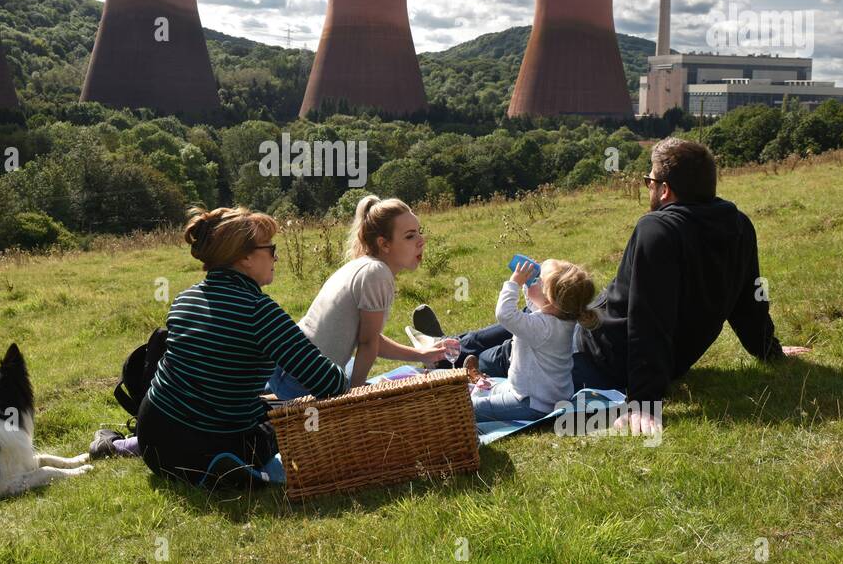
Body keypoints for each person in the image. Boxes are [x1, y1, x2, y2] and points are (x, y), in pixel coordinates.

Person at [415, 137, 810, 432]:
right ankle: (450, 343)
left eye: (650, 181)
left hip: (599, 357)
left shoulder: (657, 229)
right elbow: (750, 298)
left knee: (511, 349)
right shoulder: (738, 224)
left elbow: (649, 317)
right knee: (544, 310)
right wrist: (767, 350)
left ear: (666, 189)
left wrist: (644, 402)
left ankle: (445, 360)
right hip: (598, 328)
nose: (648, 189)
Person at [135, 206, 350, 488]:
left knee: (260, 407)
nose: (276, 256)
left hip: (152, 438)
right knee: (289, 425)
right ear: (245, 257)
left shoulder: (183, 300)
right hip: (198, 448)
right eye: (270, 248)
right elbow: (329, 383)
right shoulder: (258, 311)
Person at [266, 195, 454, 401]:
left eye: (420, 232)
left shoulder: (365, 265)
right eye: (410, 236)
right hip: (301, 381)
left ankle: (267, 392)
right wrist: (354, 397)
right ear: (384, 244)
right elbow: (368, 343)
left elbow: (370, 338)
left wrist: (421, 354)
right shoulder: (377, 273)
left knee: (384, 377)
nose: (421, 241)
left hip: (288, 369)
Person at [466, 258, 599, 423]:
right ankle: (478, 386)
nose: (534, 281)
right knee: (491, 387)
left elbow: (505, 315)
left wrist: (514, 282)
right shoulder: (563, 318)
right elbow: (536, 304)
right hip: (545, 394)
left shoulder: (544, 327)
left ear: (549, 299)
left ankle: (468, 395)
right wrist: (529, 284)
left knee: (469, 409)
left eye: (538, 280)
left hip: (532, 403)